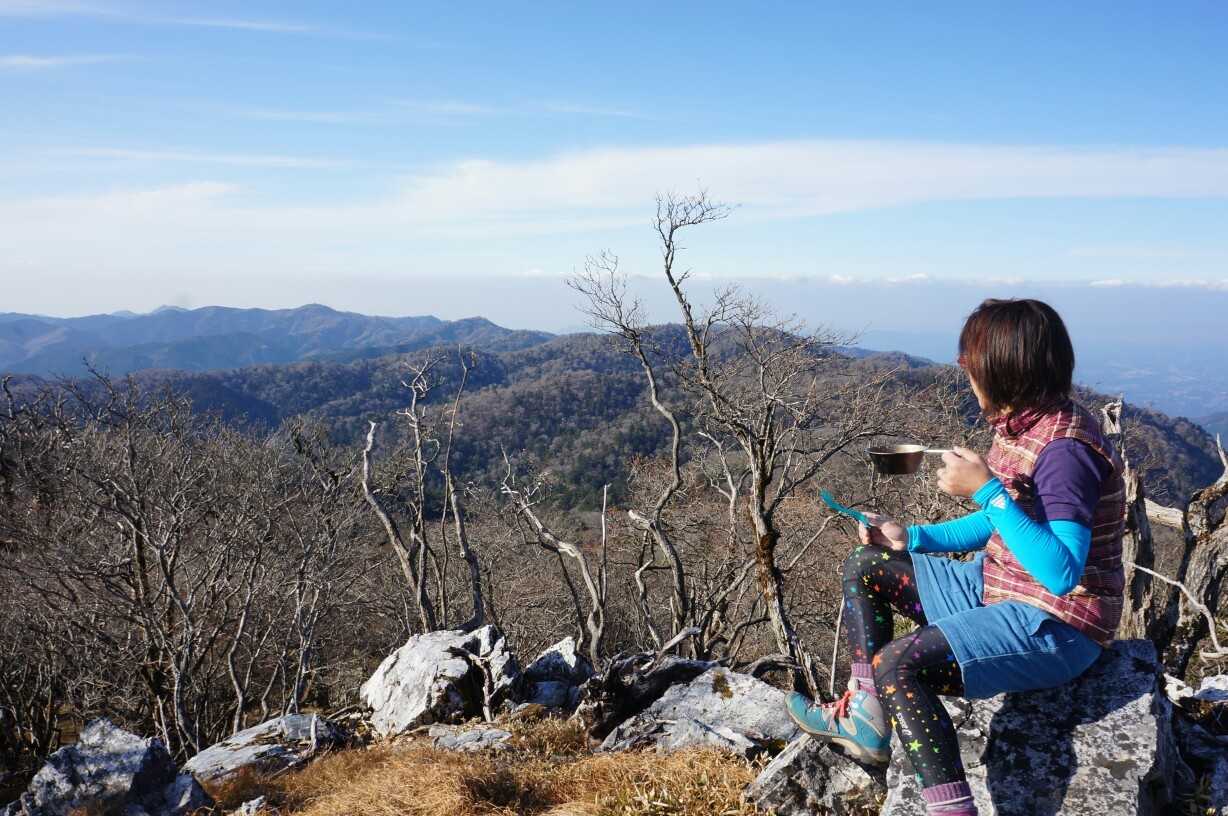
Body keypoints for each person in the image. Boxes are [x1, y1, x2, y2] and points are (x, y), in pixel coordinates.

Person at [785, 298, 1126, 816]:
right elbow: (1001, 523)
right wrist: (911, 538)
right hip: (997, 588)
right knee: (866, 564)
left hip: (1058, 624)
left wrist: (987, 491)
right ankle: (867, 720)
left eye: (970, 365)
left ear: (1002, 370)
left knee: (898, 664)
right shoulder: (1022, 426)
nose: (966, 376)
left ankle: (951, 810)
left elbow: (1061, 572)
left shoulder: (1065, 452)